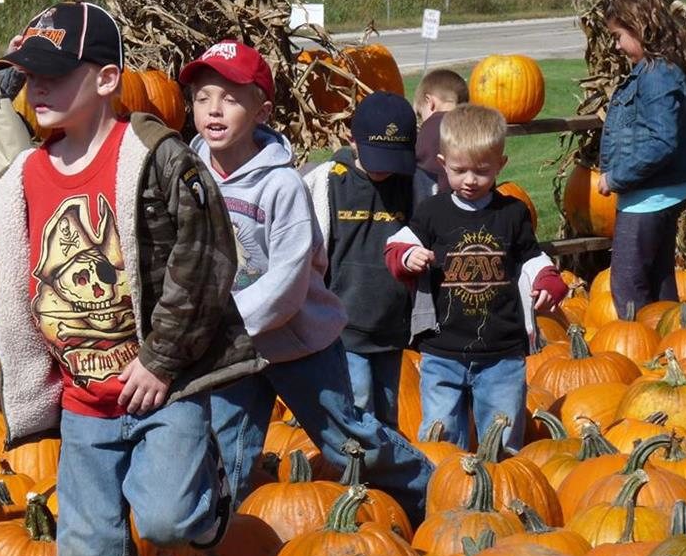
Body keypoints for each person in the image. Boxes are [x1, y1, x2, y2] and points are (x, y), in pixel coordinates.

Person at [0, 3, 262, 556]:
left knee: (166, 519)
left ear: (108, 79)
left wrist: (162, 359)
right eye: (29, 76)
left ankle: (210, 487)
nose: (38, 88)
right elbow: (17, 285)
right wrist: (36, 387)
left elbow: (207, 257)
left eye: (55, 74)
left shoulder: (158, 161)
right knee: (85, 554)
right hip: (84, 403)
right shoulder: (22, 179)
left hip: (162, 387)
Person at [178, 41, 433, 525]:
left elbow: (289, 281)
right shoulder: (189, 179)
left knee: (346, 440)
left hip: (299, 344)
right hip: (232, 347)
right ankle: (222, 538)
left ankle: (429, 490)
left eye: (230, 98)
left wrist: (223, 322)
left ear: (261, 111)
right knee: (227, 446)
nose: (213, 109)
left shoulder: (282, 186)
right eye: (203, 97)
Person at [385, 104, 568, 452]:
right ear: (443, 163)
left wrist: (547, 280)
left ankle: (497, 480)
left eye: (482, 171)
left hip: (501, 352)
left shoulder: (512, 213)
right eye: (459, 170)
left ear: (501, 165)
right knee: (440, 438)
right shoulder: (432, 212)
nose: (470, 180)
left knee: (502, 437)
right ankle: (444, 481)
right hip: (442, 349)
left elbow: (532, 258)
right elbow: (398, 244)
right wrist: (408, 257)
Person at [302, 91, 417, 429]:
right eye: (376, 158)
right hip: (345, 325)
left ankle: (387, 463)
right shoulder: (330, 183)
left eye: (392, 160)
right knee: (359, 405)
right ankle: (362, 463)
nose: (383, 169)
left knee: (389, 411)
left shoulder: (410, 185)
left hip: (392, 325)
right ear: (353, 140)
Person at [597, 0, 686, 315]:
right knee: (658, 278)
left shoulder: (656, 75)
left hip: (650, 195)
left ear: (639, 26)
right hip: (663, 189)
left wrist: (615, 177)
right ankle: (672, 338)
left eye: (618, 37)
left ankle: (642, 344)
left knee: (627, 285)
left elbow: (661, 141)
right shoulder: (662, 69)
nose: (616, 46)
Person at [412, 68, 469, 207]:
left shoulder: (429, 129)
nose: (421, 121)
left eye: (420, 114)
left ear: (430, 102)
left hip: (434, 205)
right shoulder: (472, 126)